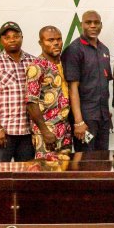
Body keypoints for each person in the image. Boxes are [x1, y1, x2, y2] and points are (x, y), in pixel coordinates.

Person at [0, 22, 36, 162]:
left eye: (16, 36)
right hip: (4, 132)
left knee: (26, 176)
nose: (12, 39)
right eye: (7, 37)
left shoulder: (33, 62)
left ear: (22, 37)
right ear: (1, 41)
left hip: (27, 132)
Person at [61, 10, 112, 152]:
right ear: (81, 25)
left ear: (101, 25)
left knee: (102, 158)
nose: (93, 26)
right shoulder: (74, 50)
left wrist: (106, 114)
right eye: (88, 22)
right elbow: (72, 88)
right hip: (85, 119)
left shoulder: (105, 50)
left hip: (102, 117)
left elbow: (105, 85)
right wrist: (78, 121)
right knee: (86, 159)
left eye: (96, 23)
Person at [25, 26, 72, 159]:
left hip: (64, 128)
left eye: (59, 39)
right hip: (47, 130)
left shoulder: (63, 63)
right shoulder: (37, 66)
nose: (56, 43)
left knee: (65, 172)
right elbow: (30, 102)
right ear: (41, 43)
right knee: (47, 171)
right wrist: (45, 131)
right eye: (50, 40)